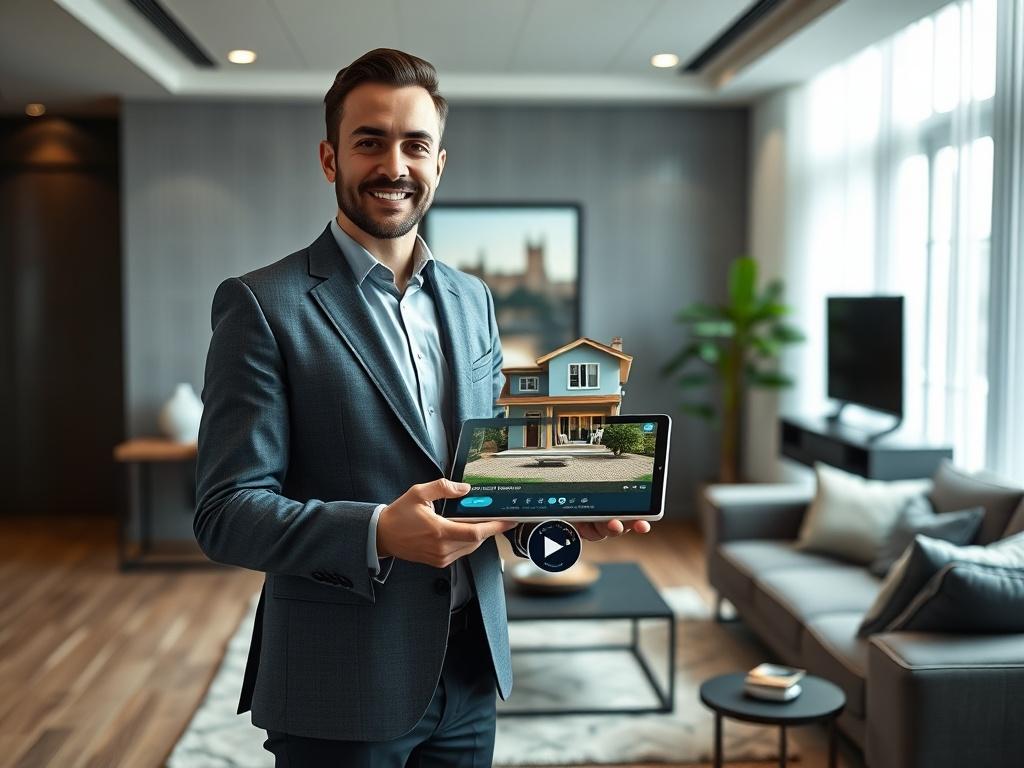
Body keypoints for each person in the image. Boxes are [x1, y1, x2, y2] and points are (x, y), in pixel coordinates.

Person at [194, 47, 651, 767]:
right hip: (342, 680)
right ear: (329, 158)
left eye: (415, 145)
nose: (394, 165)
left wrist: (557, 505)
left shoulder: (473, 299)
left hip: (471, 667)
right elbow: (226, 512)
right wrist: (378, 531)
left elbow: (487, 465)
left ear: (440, 163)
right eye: (369, 141)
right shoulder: (261, 305)